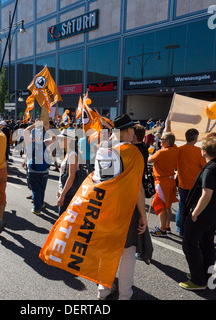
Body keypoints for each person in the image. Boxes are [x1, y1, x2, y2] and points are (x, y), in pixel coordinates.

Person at [96, 114, 147, 300]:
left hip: (106, 208)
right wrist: (143, 214)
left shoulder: (104, 150)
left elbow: (103, 180)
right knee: (127, 254)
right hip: (126, 210)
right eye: (132, 129)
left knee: (107, 253)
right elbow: (138, 188)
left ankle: (103, 290)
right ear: (129, 131)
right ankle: (125, 295)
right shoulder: (133, 152)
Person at [179, 136, 216, 290]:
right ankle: (205, 275)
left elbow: (206, 194)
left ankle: (197, 280)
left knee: (190, 245)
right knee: (207, 245)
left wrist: (195, 213)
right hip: (214, 214)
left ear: (204, 151)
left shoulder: (210, 169)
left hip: (203, 214)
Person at [175, 128, 206, 236]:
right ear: (196, 139)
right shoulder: (198, 151)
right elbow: (204, 166)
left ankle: (180, 228)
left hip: (182, 183)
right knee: (195, 207)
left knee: (182, 205)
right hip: (195, 185)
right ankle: (192, 229)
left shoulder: (179, 149)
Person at [148, 131, 179, 236]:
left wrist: (151, 153)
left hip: (162, 182)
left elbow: (149, 160)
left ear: (168, 141)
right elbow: (171, 141)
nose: (160, 141)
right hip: (170, 180)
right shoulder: (175, 150)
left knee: (161, 206)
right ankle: (167, 226)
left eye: (163, 140)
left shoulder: (162, 152)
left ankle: (162, 229)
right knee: (167, 206)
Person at [23, 121, 57, 215]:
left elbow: (25, 131)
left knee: (35, 190)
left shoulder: (29, 143)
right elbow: (54, 138)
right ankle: (41, 204)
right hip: (44, 170)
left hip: (33, 170)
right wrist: (47, 129)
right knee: (42, 189)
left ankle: (37, 209)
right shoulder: (44, 143)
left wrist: (35, 124)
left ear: (32, 136)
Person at [57, 129, 80, 216]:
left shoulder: (72, 154)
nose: (59, 141)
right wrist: (60, 190)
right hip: (65, 191)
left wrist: (63, 194)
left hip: (68, 194)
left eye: (62, 139)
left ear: (69, 140)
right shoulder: (68, 153)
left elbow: (71, 176)